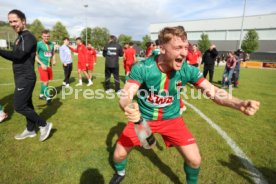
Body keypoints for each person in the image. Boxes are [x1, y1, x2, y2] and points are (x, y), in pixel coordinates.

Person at [108, 26, 260, 184]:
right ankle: (120, 172)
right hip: (144, 119)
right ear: (162, 48)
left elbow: (213, 92)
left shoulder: (188, 69)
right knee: (118, 155)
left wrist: (239, 103)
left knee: (194, 160)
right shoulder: (143, 67)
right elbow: (126, 95)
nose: (184, 53)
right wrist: (128, 106)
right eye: (178, 47)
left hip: (172, 119)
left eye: (185, 47)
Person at [0, 9, 52, 141]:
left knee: (19, 106)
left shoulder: (28, 37)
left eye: (15, 21)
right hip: (20, 76)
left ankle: (44, 124)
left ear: (23, 21)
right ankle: (30, 130)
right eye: (10, 21)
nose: (12, 24)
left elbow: (17, 56)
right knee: (27, 105)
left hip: (26, 77)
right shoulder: (20, 37)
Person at [35, 29, 56, 104]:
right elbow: (35, 56)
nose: (46, 37)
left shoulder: (52, 44)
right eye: (45, 36)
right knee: (46, 81)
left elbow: (53, 53)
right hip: (42, 66)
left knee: (45, 81)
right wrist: (41, 63)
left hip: (49, 66)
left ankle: (41, 95)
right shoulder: (38, 44)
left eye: (48, 36)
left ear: (49, 36)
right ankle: (48, 97)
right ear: (42, 36)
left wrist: (54, 60)